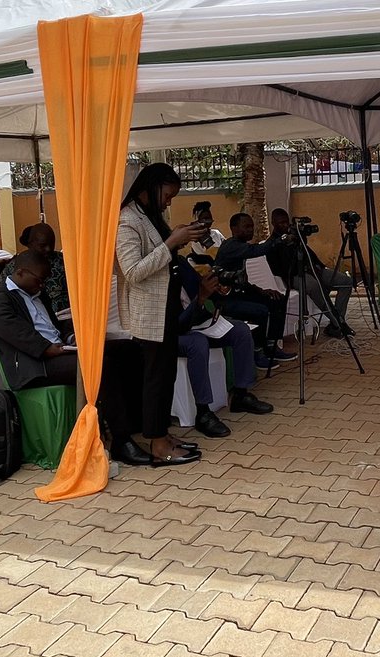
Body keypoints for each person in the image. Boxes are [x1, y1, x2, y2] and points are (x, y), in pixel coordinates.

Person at [117, 164, 252, 464]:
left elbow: (163, 259)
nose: (168, 202)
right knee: (155, 379)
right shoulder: (127, 220)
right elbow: (133, 271)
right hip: (148, 314)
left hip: (166, 309)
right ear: (151, 186)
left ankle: (162, 435)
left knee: (165, 376)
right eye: (167, 195)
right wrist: (171, 243)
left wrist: (179, 240)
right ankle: (156, 444)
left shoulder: (150, 216)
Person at [0, 251, 151, 466]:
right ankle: (121, 441)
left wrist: (72, 337)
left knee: (128, 349)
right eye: (39, 280)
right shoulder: (2, 301)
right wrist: (47, 348)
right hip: (37, 365)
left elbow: (53, 326)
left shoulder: (36, 293)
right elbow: (16, 333)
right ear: (20, 273)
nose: (43, 285)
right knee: (101, 365)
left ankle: (135, 421)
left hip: (59, 351)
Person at [175, 255, 274, 438]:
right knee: (197, 343)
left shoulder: (179, 262)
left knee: (240, 331)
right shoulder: (155, 275)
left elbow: (200, 287)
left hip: (196, 323)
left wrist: (218, 288)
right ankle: (203, 412)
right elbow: (176, 325)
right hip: (172, 333)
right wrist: (201, 299)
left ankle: (240, 394)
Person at [214, 212, 297, 368]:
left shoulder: (240, 245)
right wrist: (279, 238)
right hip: (226, 299)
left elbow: (242, 281)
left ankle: (272, 347)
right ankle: (257, 353)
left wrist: (261, 290)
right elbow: (257, 250)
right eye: (246, 226)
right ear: (233, 228)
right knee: (260, 311)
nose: (250, 230)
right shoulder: (231, 246)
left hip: (241, 293)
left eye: (251, 226)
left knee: (277, 300)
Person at [268, 207, 354, 339]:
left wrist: (299, 239)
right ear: (273, 223)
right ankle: (339, 324)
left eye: (286, 222)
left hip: (314, 269)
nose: (285, 225)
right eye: (281, 223)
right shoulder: (272, 243)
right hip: (294, 276)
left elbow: (308, 253)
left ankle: (337, 321)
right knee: (314, 286)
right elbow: (279, 269)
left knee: (346, 281)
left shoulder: (294, 234)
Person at [0, 223, 68, 312]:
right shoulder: (18, 264)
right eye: (43, 245)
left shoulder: (64, 261)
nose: (48, 249)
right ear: (30, 244)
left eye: (51, 244)